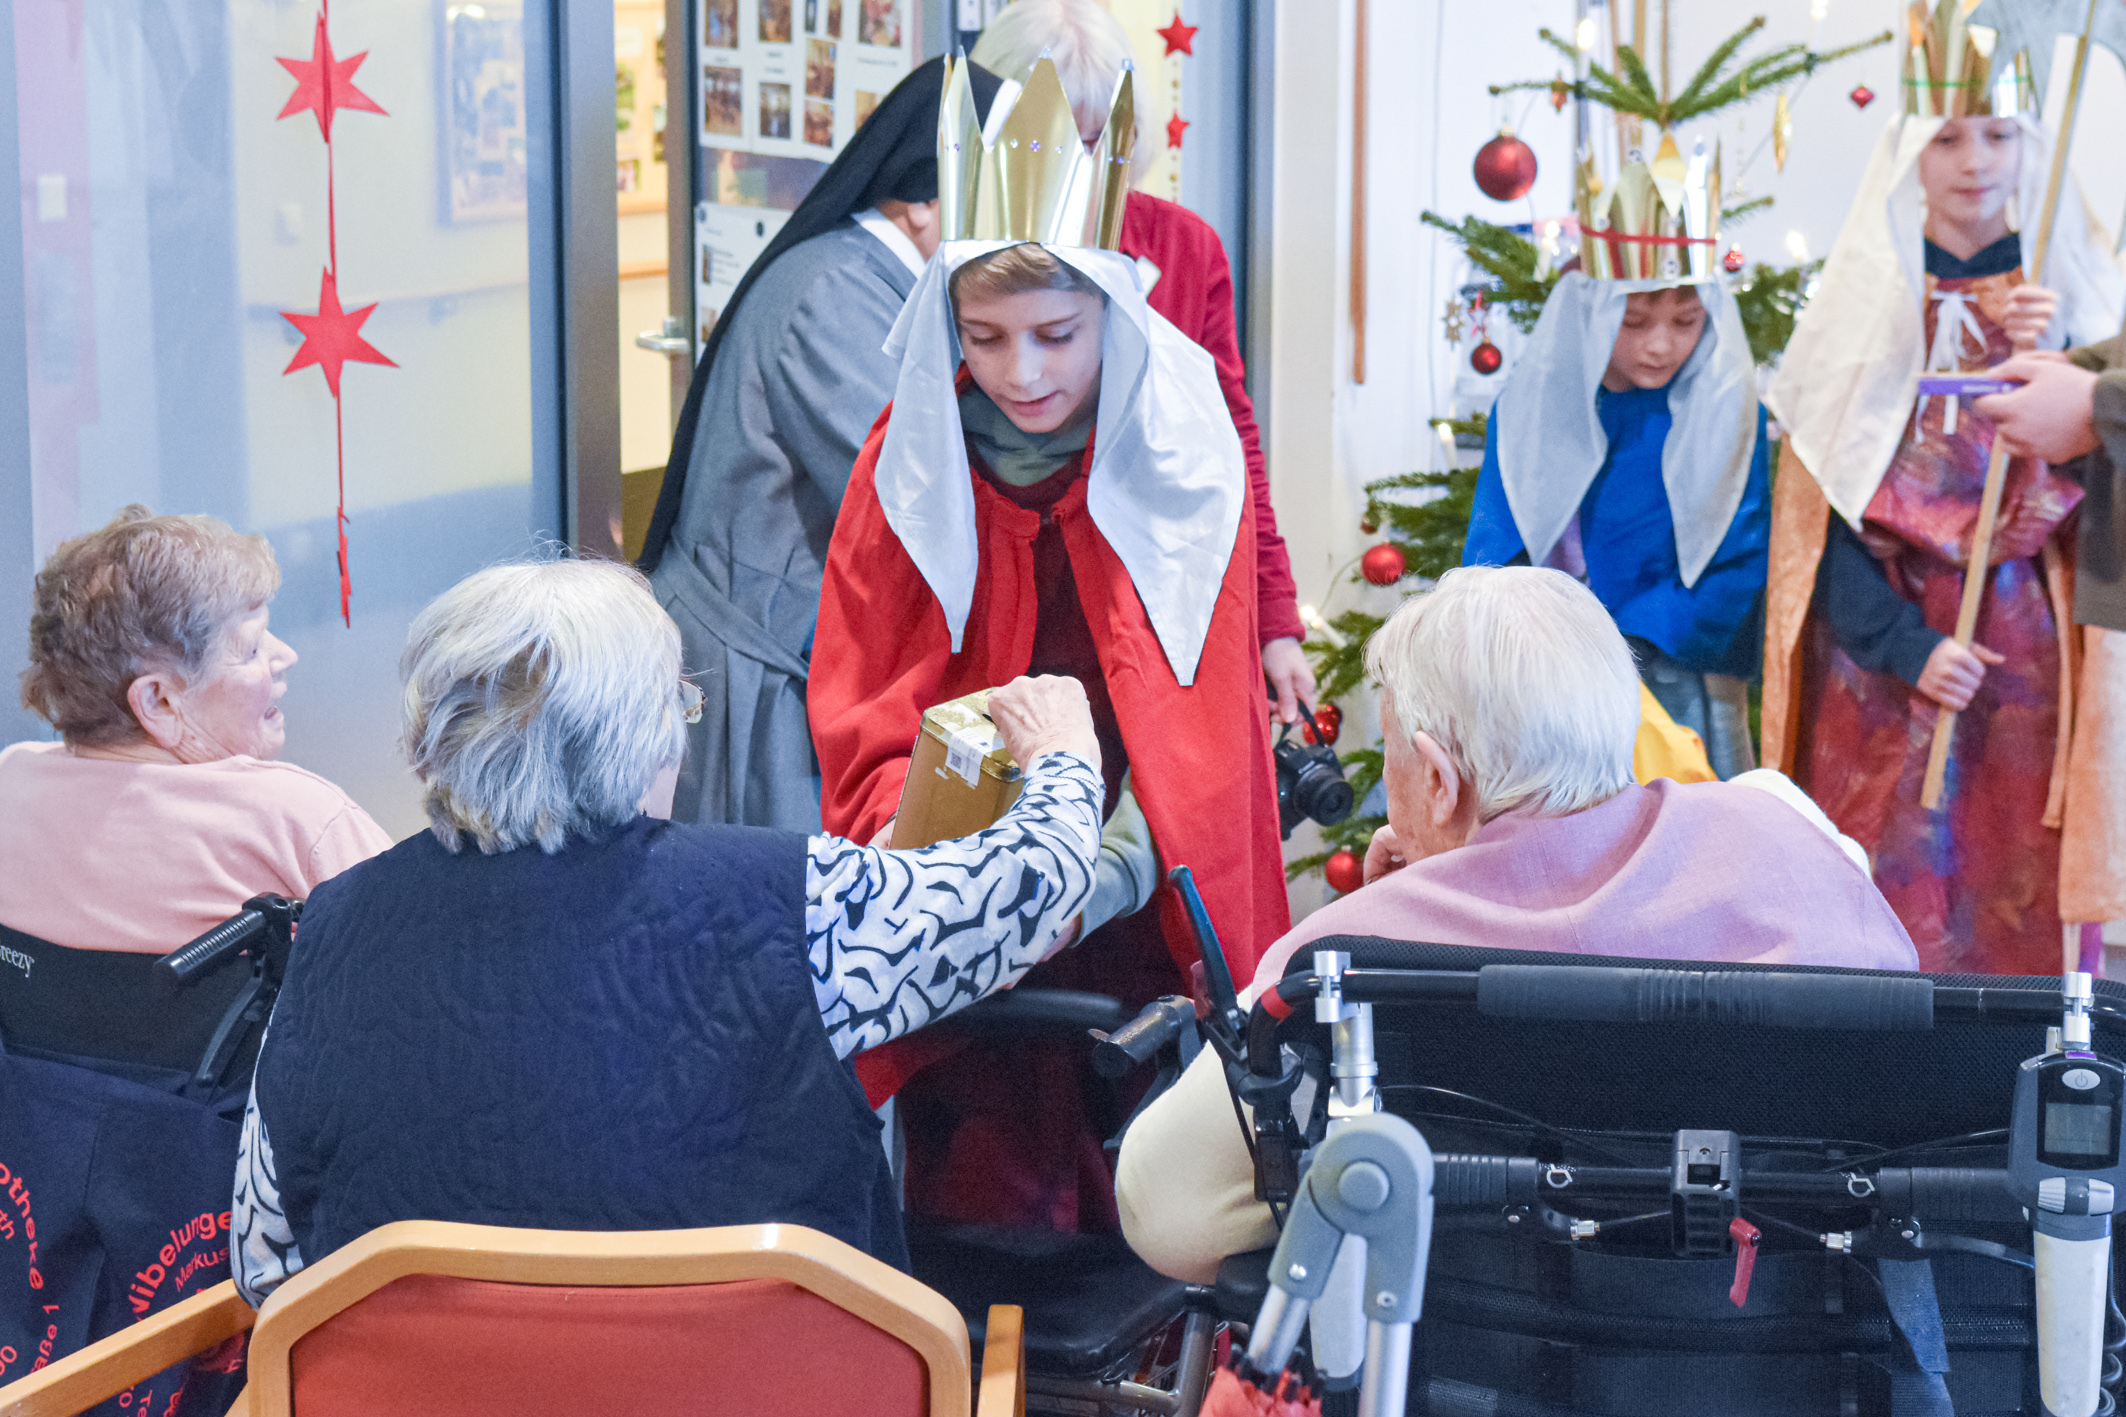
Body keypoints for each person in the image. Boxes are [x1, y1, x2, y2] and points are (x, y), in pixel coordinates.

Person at [232, 558, 1106, 1302]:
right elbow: (1034, 886)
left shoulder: (333, 924)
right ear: (641, 737)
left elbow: (264, 1262)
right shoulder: (796, 900)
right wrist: (1064, 748)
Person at [1111, 567, 1919, 1283]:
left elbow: (1164, 1214)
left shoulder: (1347, 961)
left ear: (1437, 778)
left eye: (1391, 754)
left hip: (1484, 1358)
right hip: (1788, 1342)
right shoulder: (1788, 836)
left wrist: (1392, 915)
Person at [807, 58, 1288, 1231]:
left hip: (1136, 916)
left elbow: (1202, 734)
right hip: (963, 915)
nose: (1020, 373)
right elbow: (865, 711)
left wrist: (1097, 872)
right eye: (983, 337)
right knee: (983, 1211)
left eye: (1055, 335)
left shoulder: (1179, 462)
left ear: (1112, 312)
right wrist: (967, 880)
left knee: (1153, 1216)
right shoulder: (907, 469)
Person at [1761, 17, 2126, 975]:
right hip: (1886, 649)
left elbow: (2094, 470)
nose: (1975, 161)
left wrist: (2066, 357)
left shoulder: (2065, 295)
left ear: (2029, 145)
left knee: (2014, 882)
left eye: (1998, 134)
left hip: (2022, 646)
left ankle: (2018, 1054)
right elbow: (1818, 510)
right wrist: (1903, 645)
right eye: (1949, 137)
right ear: (1910, 153)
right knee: (1882, 885)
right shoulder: (1866, 304)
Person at [636, 58, 1003, 832]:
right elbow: (914, 501)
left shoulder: (872, 278)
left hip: (786, 649)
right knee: (763, 898)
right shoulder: (833, 290)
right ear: (923, 202)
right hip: (754, 670)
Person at [969, 0, 1314, 724]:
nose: (1081, 165)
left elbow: (1231, 441)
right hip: (1000, 605)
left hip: (1149, 605)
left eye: (1098, 140)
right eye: (1056, 141)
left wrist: (1275, 619)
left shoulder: (1182, 247)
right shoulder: (965, 260)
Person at [1, 506, 390, 959]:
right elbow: (429, 966)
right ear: (159, 702)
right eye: (250, 648)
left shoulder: (10, 780)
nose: (286, 655)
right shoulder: (297, 821)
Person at [1461, 221, 1770, 780]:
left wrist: (1635, 643)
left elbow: (1739, 554)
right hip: (1552, 675)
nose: (1661, 345)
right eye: (1634, 322)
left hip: (1675, 672)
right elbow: (1500, 541)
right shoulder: (1532, 412)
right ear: (1591, 310)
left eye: (1686, 322)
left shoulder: (1727, 415)